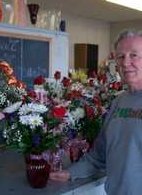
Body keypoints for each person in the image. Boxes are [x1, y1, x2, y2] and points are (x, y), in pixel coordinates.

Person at [50, 29, 142, 195]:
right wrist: (72, 172)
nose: (126, 62)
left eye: (134, 55)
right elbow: (99, 154)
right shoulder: (118, 102)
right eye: (121, 56)